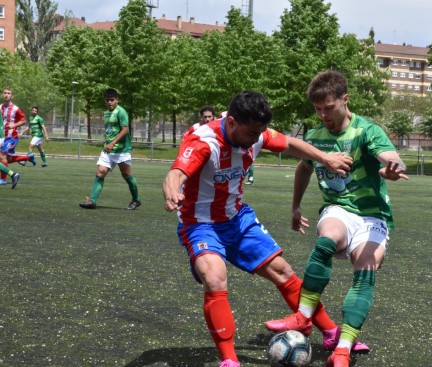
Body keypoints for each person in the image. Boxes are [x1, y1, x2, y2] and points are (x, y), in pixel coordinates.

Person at [162, 90, 370, 367]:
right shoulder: (203, 141)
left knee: (282, 271)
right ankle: (230, 360)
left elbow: (291, 144)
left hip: (237, 219)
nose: (256, 139)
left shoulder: (256, 132)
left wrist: (326, 158)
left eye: (260, 132)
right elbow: (175, 173)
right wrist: (172, 192)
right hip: (200, 224)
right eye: (251, 133)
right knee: (215, 277)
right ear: (233, 122)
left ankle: (331, 332)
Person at [264, 70, 409, 367]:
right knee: (326, 238)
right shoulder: (315, 135)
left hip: (372, 217)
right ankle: (304, 318)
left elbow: (388, 157)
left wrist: (392, 167)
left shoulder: (367, 130)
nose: (323, 116)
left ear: (345, 100)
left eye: (328, 108)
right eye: (317, 110)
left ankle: (342, 349)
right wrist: (295, 207)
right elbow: (304, 167)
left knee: (365, 270)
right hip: (337, 209)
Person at [79, 88, 141, 210]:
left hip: (122, 150)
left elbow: (125, 130)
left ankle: (136, 199)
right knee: (100, 172)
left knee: (126, 175)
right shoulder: (106, 112)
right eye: (107, 100)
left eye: (112, 100)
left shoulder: (121, 112)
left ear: (117, 100)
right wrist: (109, 143)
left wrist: (112, 143)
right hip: (108, 150)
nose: (110, 102)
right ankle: (92, 201)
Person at [0, 88, 35, 185]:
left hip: (11, 137)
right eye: (5, 93)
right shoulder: (0, 107)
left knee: (2, 157)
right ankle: (28, 158)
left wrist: (14, 125)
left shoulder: (16, 109)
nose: (6, 95)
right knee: (7, 159)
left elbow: (23, 121)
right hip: (2, 137)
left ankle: (3, 179)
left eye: (8, 93)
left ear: (12, 96)